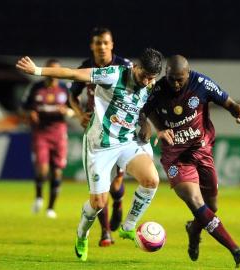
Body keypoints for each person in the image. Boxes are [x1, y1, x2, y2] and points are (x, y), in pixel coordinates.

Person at [16, 47, 163, 262]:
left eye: (151, 78)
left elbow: (144, 107)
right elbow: (74, 74)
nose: (146, 81)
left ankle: (128, 226)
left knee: (151, 180)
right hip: (100, 146)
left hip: (127, 142)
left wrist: (150, 125)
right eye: (143, 76)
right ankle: (82, 234)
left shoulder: (150, 84)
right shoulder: (114, 74)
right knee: (98, 203)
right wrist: (37, 70)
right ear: (136, 66)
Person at [139, 55, 240, 268]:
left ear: (188, 74)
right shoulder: (157, 90)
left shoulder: (201, 84)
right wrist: (157, 128)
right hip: (175, 157)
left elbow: (230, 103)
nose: (175, 83)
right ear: (166, 75)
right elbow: (144, 112)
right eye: (171, 78)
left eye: (180, 79)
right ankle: (236, 251)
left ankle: (194, 230)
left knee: (212, 206)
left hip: (201, 151)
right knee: (194, 199)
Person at [69, 27, 132, 246]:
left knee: (115, 185)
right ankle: (105, 232)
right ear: (92, 46)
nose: (102, 47)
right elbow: (72, 95)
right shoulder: (86, 67)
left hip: (120, 132)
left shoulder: (124, 66)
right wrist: (79, 115)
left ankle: (119, 202)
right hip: (97, 132)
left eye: (105, 43)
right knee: (101, 187)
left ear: (112, 44)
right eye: (98, 43)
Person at [22, 59, 70, 219]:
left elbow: (74, 110)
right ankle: (39, 196)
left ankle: (51, 208)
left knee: (57, 172)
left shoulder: (65, 89)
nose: (54, 74)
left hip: (59, 133)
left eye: (57, 70)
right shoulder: (36, 87)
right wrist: (30, 113)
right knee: (42, 170)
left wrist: (68, 112)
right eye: (51, 70)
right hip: (41, 132)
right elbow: (25, 107)